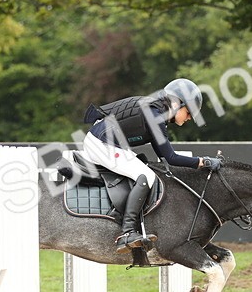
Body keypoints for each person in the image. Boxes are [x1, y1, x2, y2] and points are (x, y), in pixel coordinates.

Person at [81, 78, 220, 252]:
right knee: (146, 176)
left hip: (103, 141)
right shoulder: (155, 116)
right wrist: (203, 162)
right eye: (189, 112)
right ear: (177, 104)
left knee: (144, 167)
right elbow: (171, 157)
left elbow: (163, 156)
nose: (190, 118)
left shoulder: (156, 113)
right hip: (101, 144)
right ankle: (128, 232)